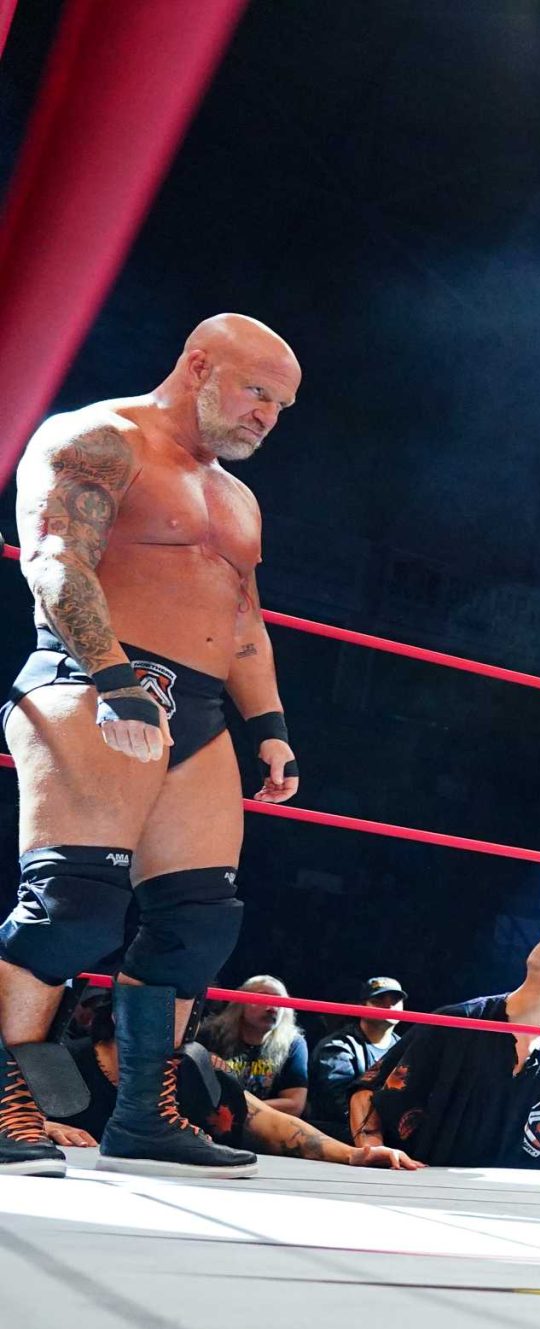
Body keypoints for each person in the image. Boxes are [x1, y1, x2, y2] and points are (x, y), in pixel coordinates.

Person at [0, 315, 305, 1179]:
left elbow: (244, 622)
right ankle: (7, 1096)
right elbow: (56, 560)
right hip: (90, 682)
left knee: (197, 923)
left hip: (198, 712)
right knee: (71, 910)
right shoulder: (98, 439)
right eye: (256, 392)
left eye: (280, 407)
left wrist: (270, 727)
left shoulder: (238, 499)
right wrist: (114, 678)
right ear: (198, 366)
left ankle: (144, 1114)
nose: (265, 417)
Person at [347, 934, 540, 1176]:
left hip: (523, 1203)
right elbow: (369, 1091)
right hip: (436, 1191)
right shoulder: (459, 1024)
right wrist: (370, 1147)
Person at [59, 1004, 419, 1172]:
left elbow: (267, 1122)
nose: (183, 1023)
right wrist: (39, 1124)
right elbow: (22, 1107)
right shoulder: (67, 1063)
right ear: (121, 1014)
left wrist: (353, 1154)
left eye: (187, 1011)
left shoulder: (193, 1068)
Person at [195, 974, 309, 1117]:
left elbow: (294, 1105)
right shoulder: (211, 1034)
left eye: (278, 1002)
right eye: (263, 998)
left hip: (267, 1122)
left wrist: (237, 1107)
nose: (272, 1008)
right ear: (240, 1003)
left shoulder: (293, 1043)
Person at [309, 976, 405, 1137]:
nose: (389, 1006)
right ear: (361, 1006)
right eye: (378, 1000)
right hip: (340, 1134)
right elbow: (339, 1105)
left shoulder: (403, 1047)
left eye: (395, 1000)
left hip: (385, 1130)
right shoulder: (337, 1047)